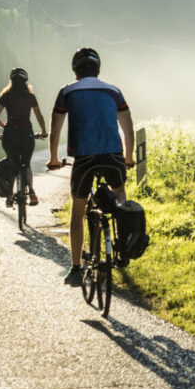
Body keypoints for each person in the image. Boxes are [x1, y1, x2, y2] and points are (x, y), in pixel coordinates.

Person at [47, 48, 135, 287]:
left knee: (78, 209)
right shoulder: (113, 91)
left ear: (75, 71)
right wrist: (128, 157)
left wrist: (54, 159)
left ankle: (76, 268)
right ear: (98, 70)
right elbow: (128, 129)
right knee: (119, 195)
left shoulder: (66, 92)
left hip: (84, 158)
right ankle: (123, 247)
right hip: (113, 155)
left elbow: (55, 130)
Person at [0, 67, 47, 206]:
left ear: (11, 81)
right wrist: (44, 131)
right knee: (26, 164)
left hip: (10, 135)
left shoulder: (6, 96)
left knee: (13, 163)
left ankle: (10, 196)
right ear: (25, 82)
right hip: (26, 134)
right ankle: (32, 192)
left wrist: (5, 127)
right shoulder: (30, 97)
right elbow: (39, 116)